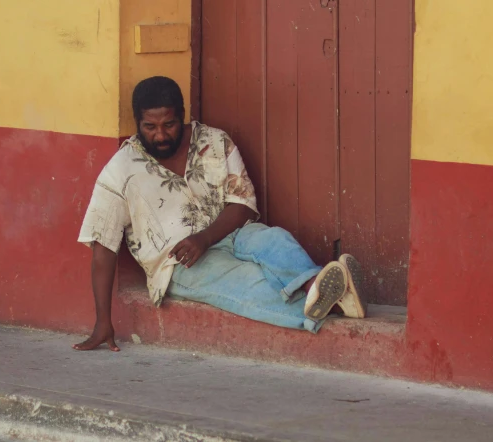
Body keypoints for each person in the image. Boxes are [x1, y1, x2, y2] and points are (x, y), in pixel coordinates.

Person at [73, 76, 366, 351]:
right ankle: (337, 302)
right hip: (179, 264)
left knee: (274, 240)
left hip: (230, 231)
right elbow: (103, 247)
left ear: (183, 114)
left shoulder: (214, 141)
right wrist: (103, 321)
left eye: (169, 124)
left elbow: (242, 203)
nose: (160, 134)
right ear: (137, 122)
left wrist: (205, 237)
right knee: (251, 283)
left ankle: (316, 286)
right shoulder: (120, 169)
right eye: (150, 127)